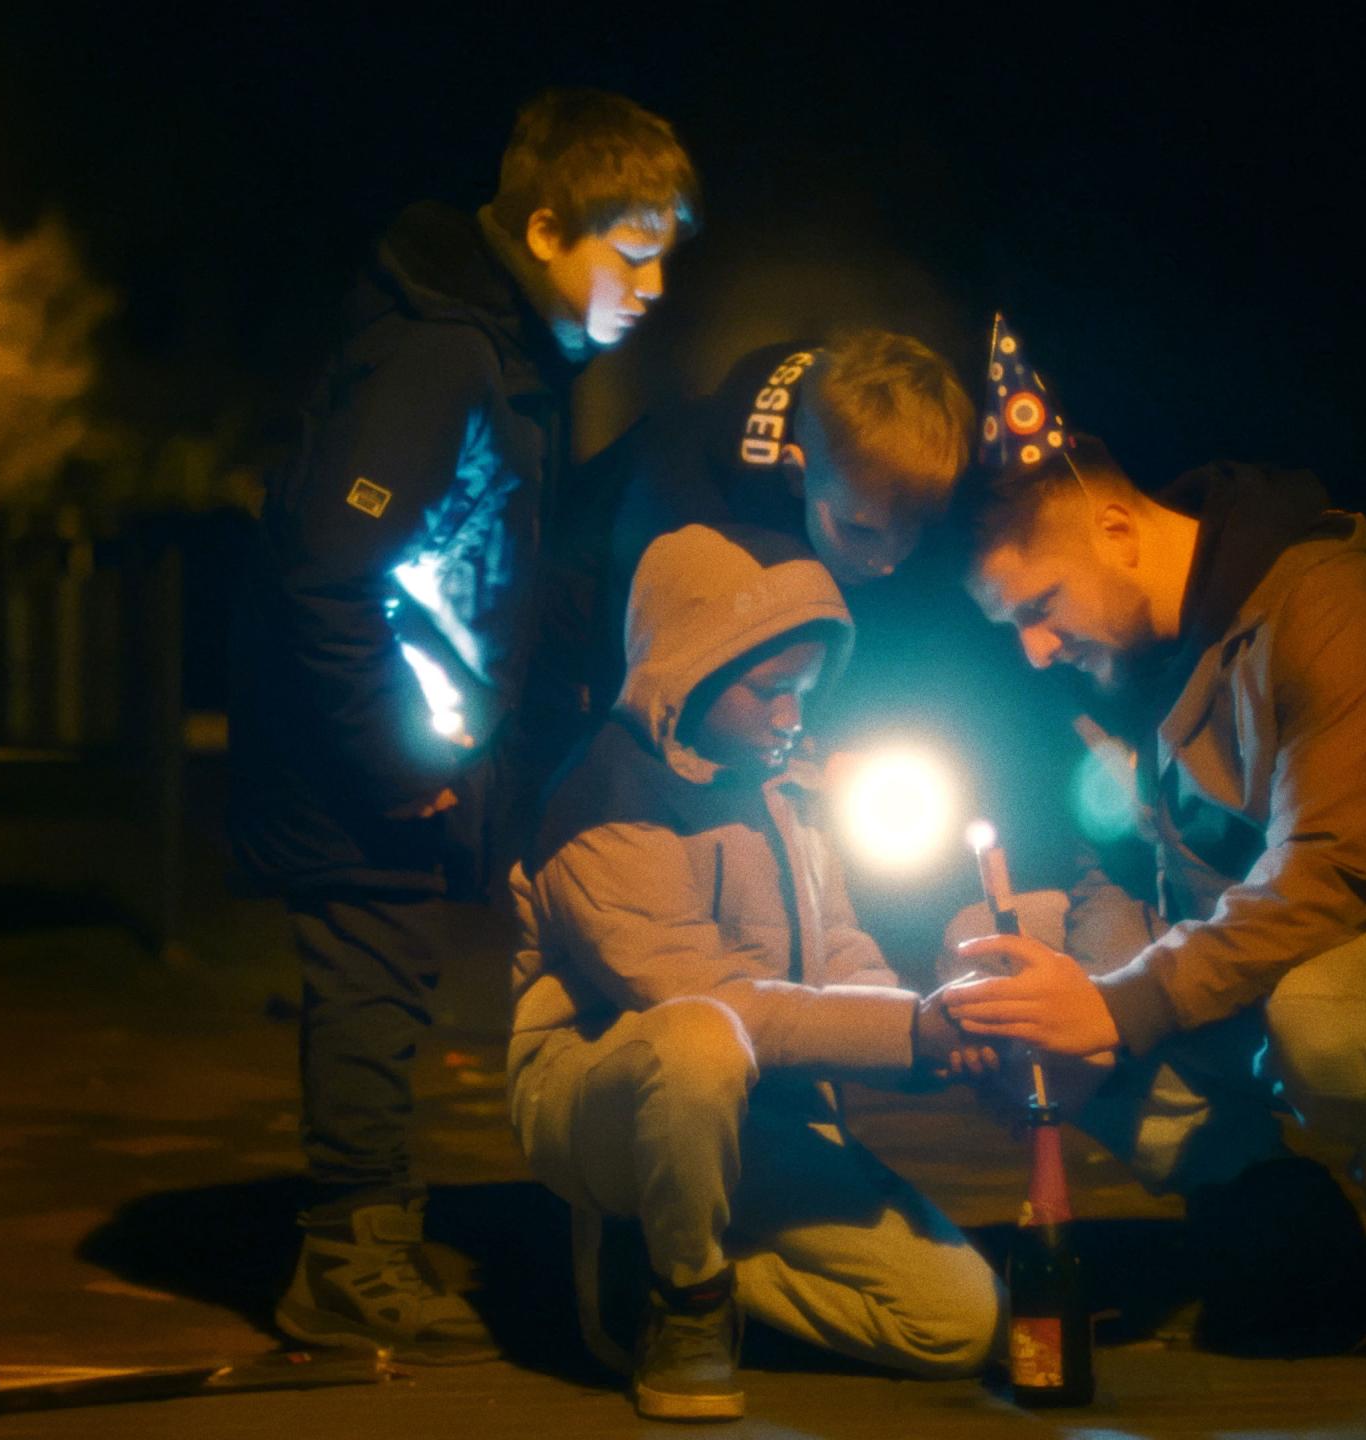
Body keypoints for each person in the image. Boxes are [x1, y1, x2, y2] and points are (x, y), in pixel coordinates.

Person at [944, 327, 1366, 1368]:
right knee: (1029, 995)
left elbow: (1330, 879)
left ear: (1116, 530)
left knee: (1325, 1016)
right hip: (1281, 971)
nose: (1033, 651)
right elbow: (1109, 869)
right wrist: (1061, 989)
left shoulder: (1336, 603)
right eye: (1008, 629)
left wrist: (1119, 1006)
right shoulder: (1127, 662)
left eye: (1038, 607)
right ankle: (1271, 1214)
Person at [226, 88, 698, 1363]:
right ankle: (344, 1264)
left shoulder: (500, 354)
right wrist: (396, 755)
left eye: (667, 257)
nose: (653, 286)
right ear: (548, 228)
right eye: (633, 251)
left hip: (399, 742)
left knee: (395, 987)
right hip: (354, 750)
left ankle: (372, 1235)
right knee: (372, 989)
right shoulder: (442, 356)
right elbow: (329, 564)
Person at [508, 524, 1000, 1421]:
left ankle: (658, 1250)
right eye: (770, 690)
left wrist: (937, 1018)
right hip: (603, 1100)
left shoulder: (781, 785)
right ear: (689, 669)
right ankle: (686, 1299)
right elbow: (709, 998)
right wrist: (906, 1037)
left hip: (757, 1112)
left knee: (956, 1323)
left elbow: (838, 948)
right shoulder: (604, 803)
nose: (793, 717)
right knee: (701, 1040)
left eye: (805, 692)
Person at [583, 330, 974, 709]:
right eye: (860, 531)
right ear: (796, 475)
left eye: (912, 528)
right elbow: (643, 699)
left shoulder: (868, 481)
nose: (888, 561)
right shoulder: (681, 521)